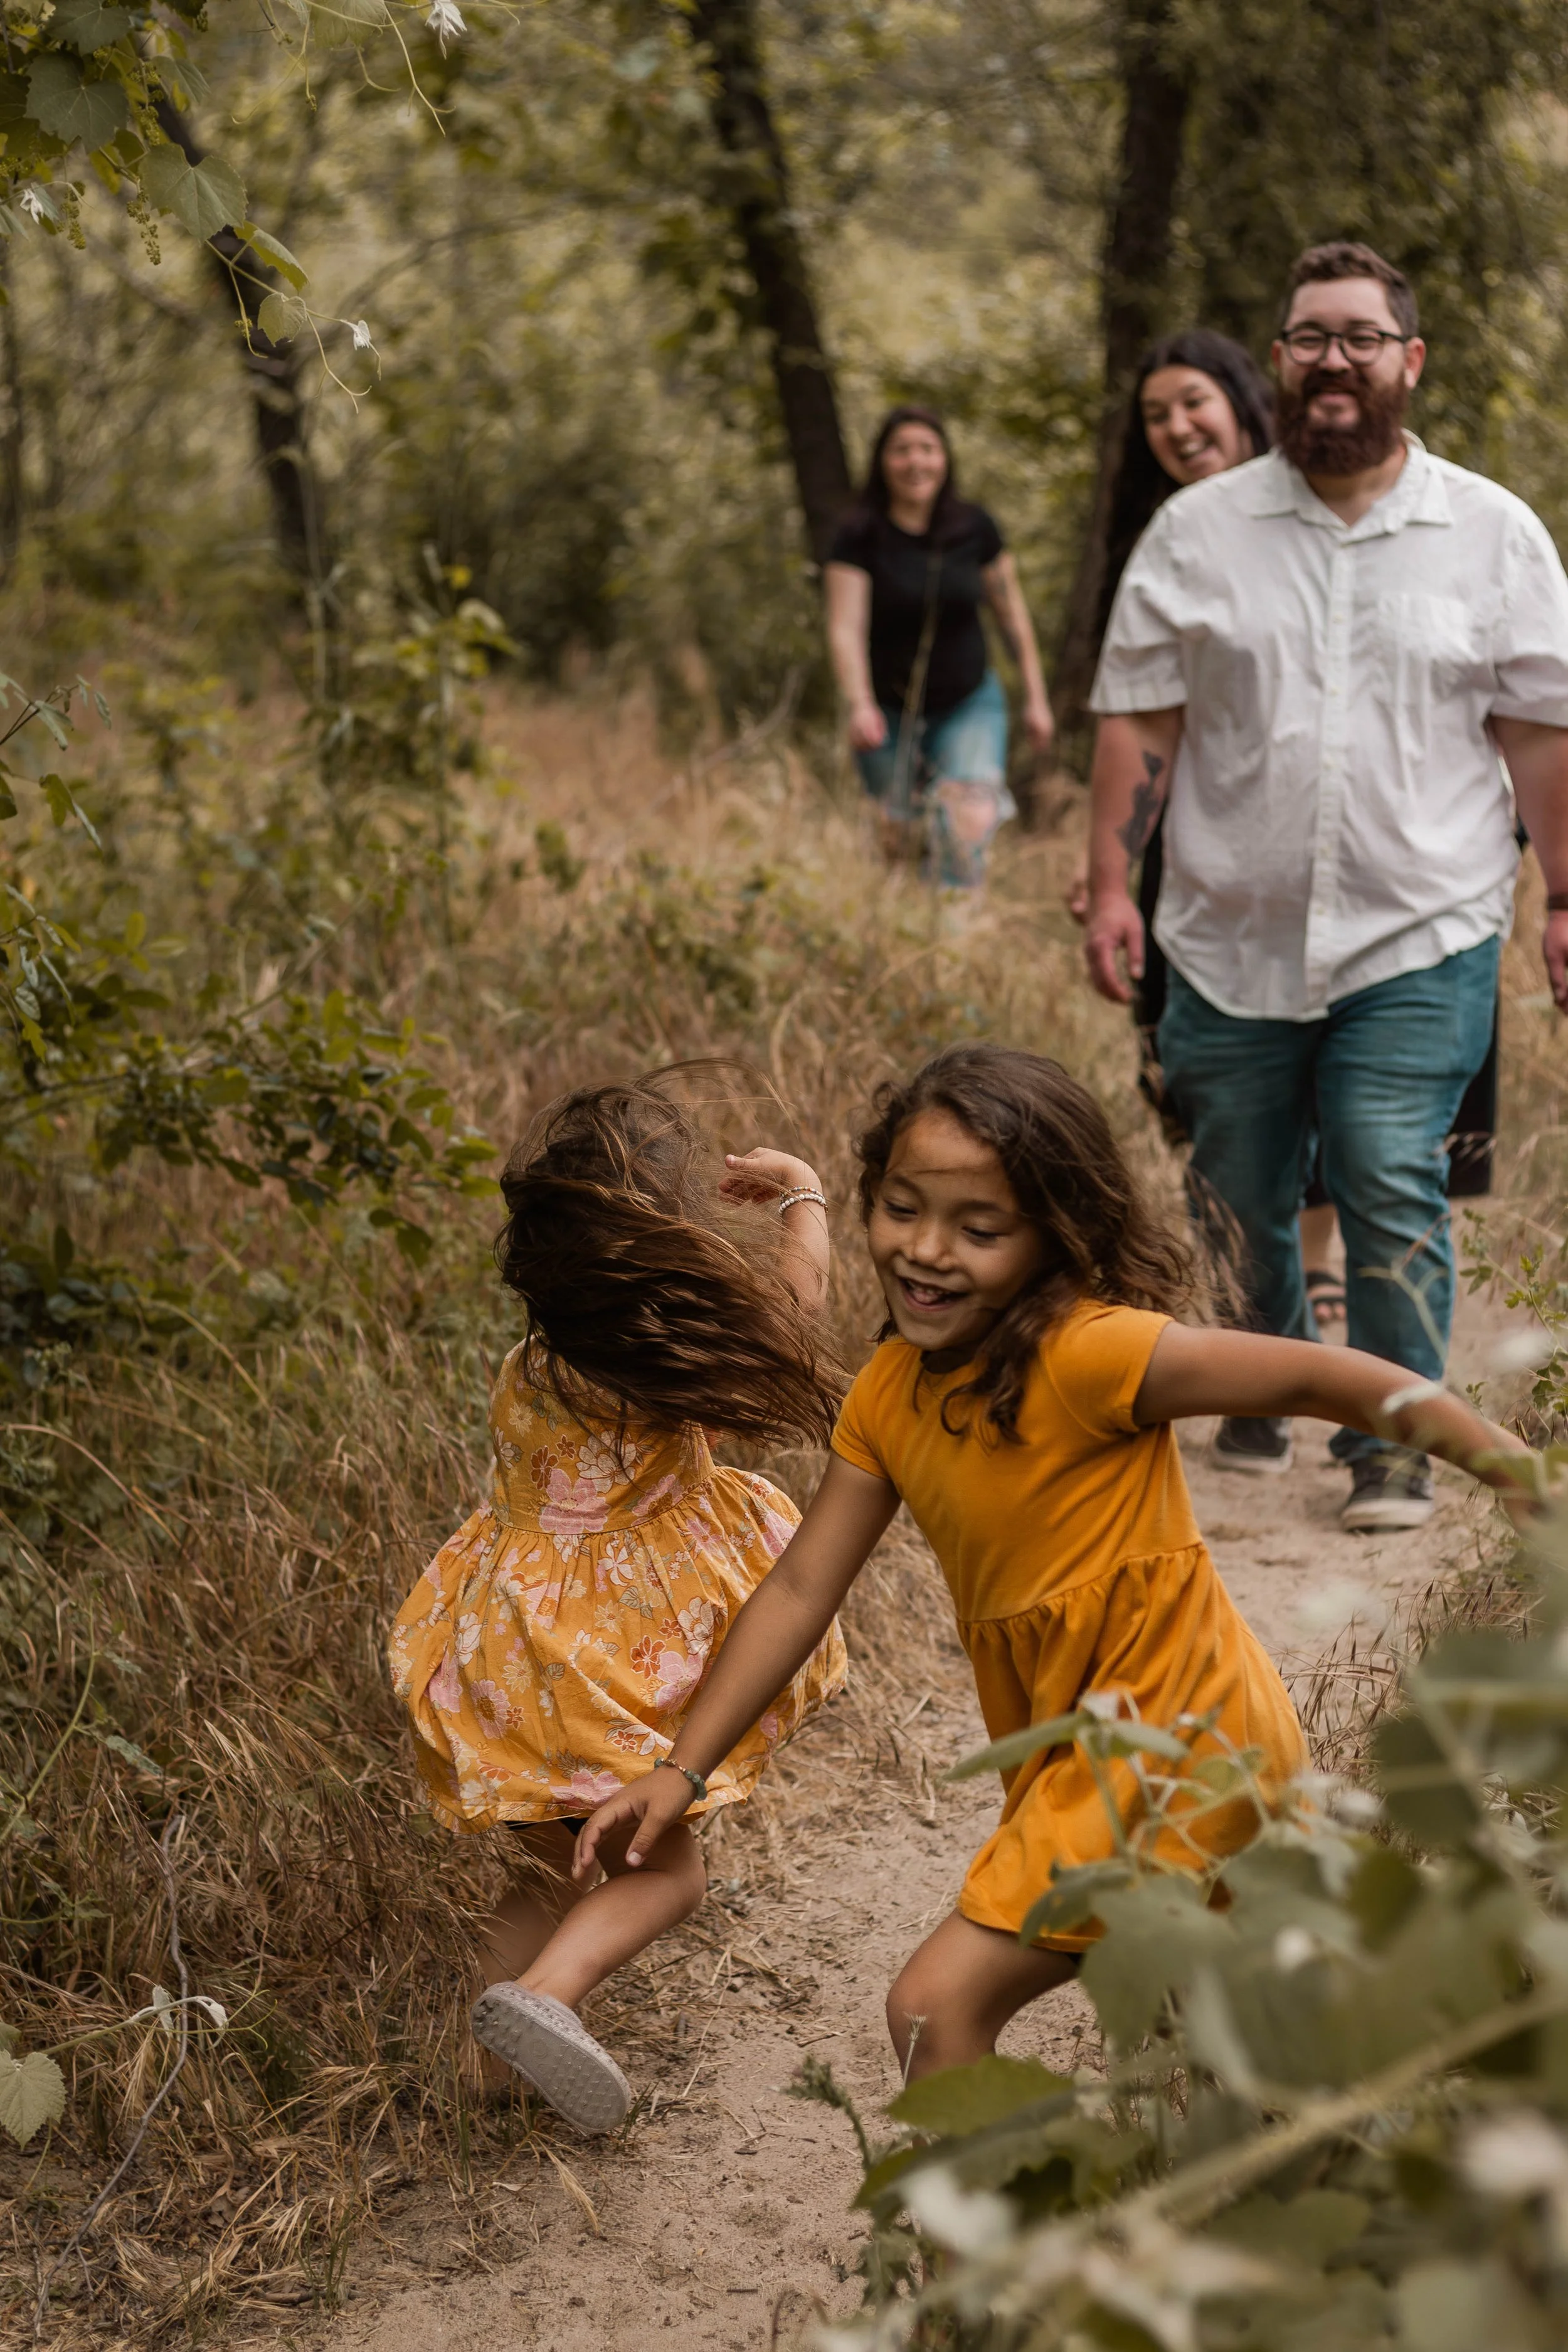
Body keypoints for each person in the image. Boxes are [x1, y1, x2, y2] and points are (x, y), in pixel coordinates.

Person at [575, 1045, 1529, 2081]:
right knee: (1228, 2038)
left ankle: (994, 2242)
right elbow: (803, 1588)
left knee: (934, 2009)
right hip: (1069, 1749)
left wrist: (1525, 1478)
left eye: (980, 1229)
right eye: (902, 1208)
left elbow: (1332, 1382)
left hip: (1177, 1736)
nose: (927, 1251)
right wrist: (681, 1769)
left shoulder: (1095, 1355)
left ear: (1054, 1238)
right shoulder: (888, 1398)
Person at [1083, 239, 1568, 1530]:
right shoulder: (1196, 533)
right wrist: (1108, 891)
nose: (1333, 358)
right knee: (1234, 1186)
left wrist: (1564, 898)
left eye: (1360, 335)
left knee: (1380, 1166)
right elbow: (1138, 724)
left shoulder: (1492, 534)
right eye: (1309, 336)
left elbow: (1538, 736)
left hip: (1423, 928)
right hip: (1222, 936)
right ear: (1279, 361)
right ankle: (1265, 1375)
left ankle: (1391, 1448)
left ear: (1407, 362)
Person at [387, 1079, 848, 2132]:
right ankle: (544, 2001)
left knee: (563, 1874)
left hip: (509, 1644)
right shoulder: (660, 1368)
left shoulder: (535, 1356)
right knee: (666, 1878)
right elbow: (798, 1308)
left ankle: (476, 2079)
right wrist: (804, 1197)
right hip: (606, 1664)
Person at [825, 403, 1054, 889]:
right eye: (902, 450)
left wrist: (1036, 699)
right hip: (886, 710)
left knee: (967, 826)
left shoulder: (975, 529)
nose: (916, 462)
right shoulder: (858, 535)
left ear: (945, 459)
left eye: (927, 449)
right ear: (882, 462)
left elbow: (1013, 617)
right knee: (899, 839)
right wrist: (860, 703)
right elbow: (845, 626)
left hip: (968, 702)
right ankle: (905, 934)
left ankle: (954, 941)